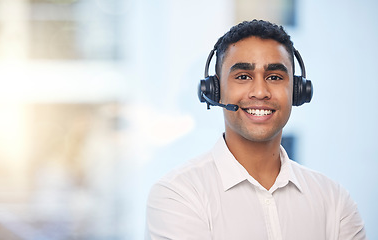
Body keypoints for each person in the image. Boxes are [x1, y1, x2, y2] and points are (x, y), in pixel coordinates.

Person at [145, 20, 366, 240]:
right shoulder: (178, 195)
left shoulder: (334, 201)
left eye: (275, 77)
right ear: (215, 91)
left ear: (298, 92)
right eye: (243, 76)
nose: (260, 92)